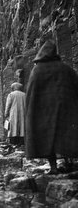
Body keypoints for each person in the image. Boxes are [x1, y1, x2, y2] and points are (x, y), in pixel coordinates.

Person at [26, 40, 78, 174]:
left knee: (47, 138)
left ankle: (53, 167)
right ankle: (69, 162)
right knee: (65, 135)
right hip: (64, 110)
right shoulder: (65, 69)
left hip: (44, 111)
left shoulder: (37, 71)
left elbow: (31, 93)